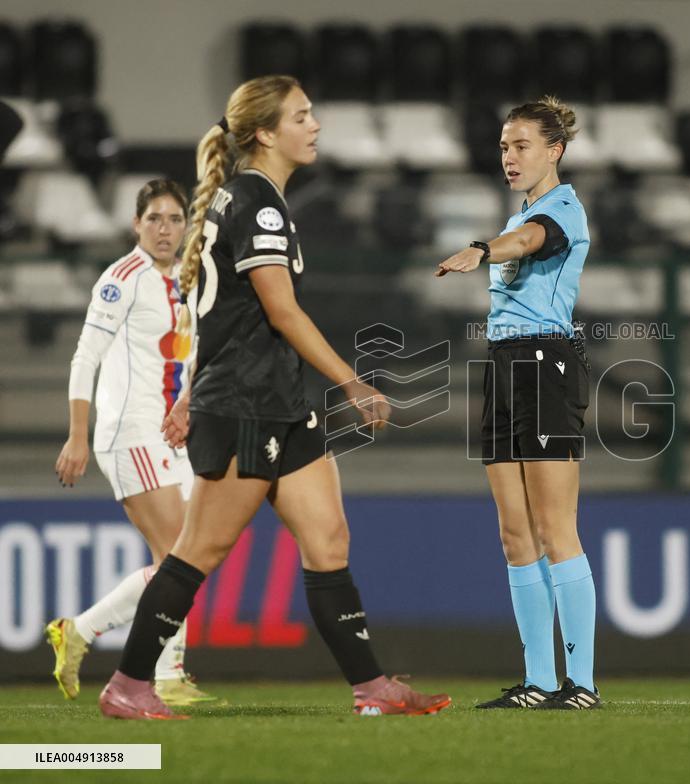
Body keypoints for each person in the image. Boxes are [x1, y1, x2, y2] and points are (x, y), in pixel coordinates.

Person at [97, 75, 450, 720]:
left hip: (279, 400)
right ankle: (128, 684)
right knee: (198, 550)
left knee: (328, 540)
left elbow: (221, 314)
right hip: (246, 403)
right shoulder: (257, 202)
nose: (314, 126)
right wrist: (351, 381)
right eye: (301, 116)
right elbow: (280, 311)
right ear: (264, 132)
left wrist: (189, 392)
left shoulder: (247, 199)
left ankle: (371, 688)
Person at [436, 96, 599, 709]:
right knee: (514, 533)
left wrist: (483, 248)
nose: (509, 156)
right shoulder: (522, 211)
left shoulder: (562, 210)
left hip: (546, 365)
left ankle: (582, 684)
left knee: (556, 528)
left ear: (555, 150)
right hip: (504, 364)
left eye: (522, 145)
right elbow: (521, 233)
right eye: (505, 146)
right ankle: (538, 681)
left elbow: (530, 241)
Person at [48, 179, 217, 707]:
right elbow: (85, 357)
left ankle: (157, 670)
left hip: (173, 433)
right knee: (179, 556)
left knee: (186, 557)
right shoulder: (122, 279)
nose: (165, 229)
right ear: (136, 224)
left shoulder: (189, 280)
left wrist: (188, 404)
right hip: (130, 432)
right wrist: (78, 434)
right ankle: (101, 641)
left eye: (174, 219)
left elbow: (192, 355)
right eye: (154, 219)